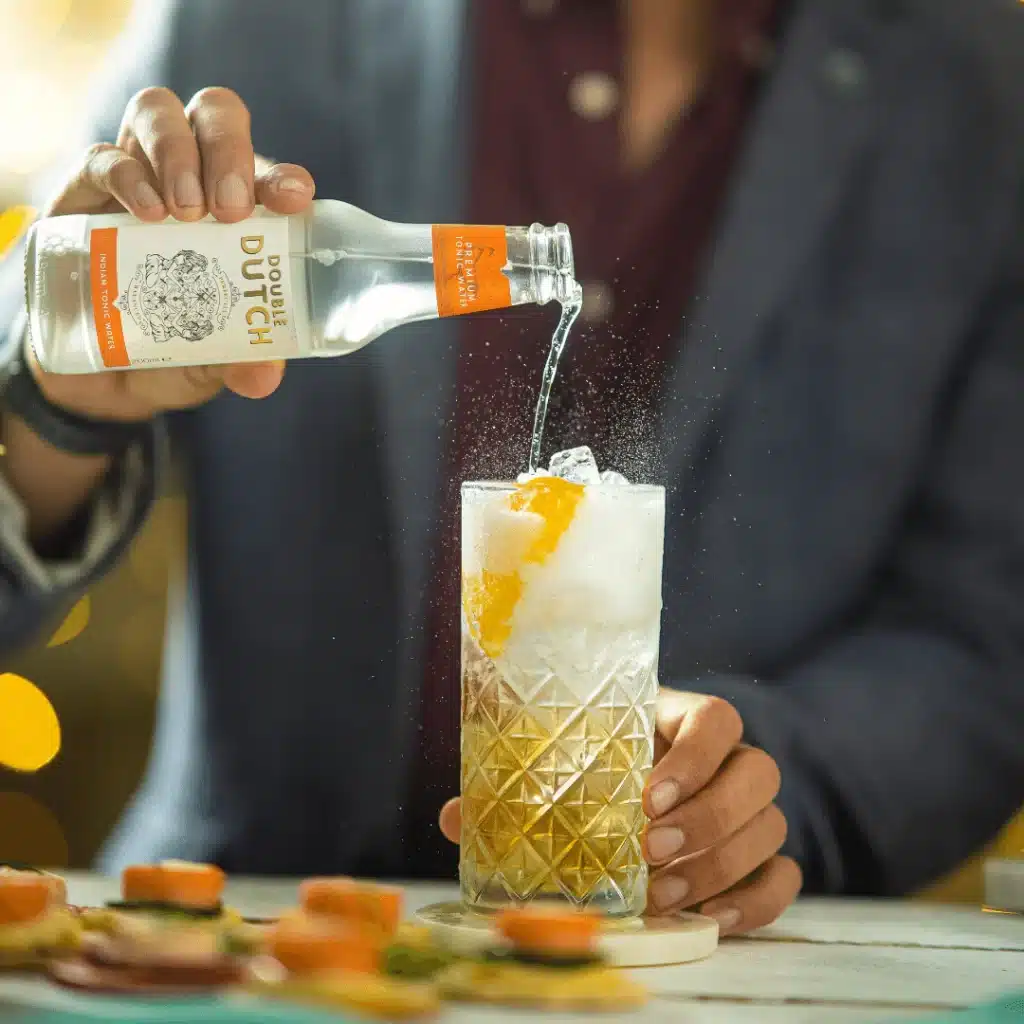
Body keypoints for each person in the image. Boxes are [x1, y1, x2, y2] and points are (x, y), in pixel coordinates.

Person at [1, 0, 1023, 936]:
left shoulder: (979, 80)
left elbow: (987, 642)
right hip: (237, 954)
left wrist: (757, 786)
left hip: (696, 978)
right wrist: (54, 408)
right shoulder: (251, 24)